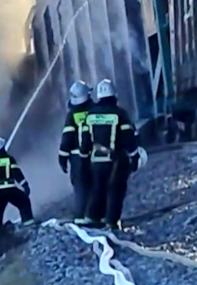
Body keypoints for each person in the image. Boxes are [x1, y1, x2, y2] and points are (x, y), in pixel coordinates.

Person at [83, 78, 148, 231]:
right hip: (116, 160)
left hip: (96, 160)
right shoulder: (120, 114)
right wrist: (134, 156)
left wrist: (83, 157)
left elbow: (85, 140)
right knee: (115, 190)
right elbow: (128, 138)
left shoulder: (90, 115)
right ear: (114, 95)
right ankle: (111, 221)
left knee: (97, 188)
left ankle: (92, 217)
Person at [58, 80, 95, 225]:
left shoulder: (72, 115)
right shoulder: (95, 111)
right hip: (94, 155)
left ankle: (80, 217)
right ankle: (96, 216)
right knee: (96, 184)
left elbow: (67, 138)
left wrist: (62, 158)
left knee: (80, 187)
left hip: (77, 158)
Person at [0, 136, 34, 232]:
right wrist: (25, 185)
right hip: (9, 188)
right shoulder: (8, 159)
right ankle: (29, 226)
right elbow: (16, 173)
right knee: (24, 202)